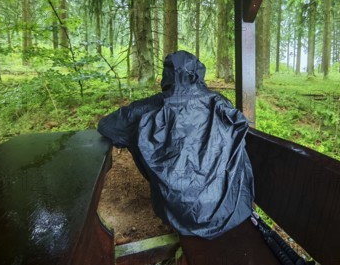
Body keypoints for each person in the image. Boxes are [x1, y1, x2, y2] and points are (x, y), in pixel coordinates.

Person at [98, 50, 254, 239]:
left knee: (138, 134)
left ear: (168, 75)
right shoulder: (221, 102)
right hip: (230, 209)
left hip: (180, 213)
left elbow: (107, 127)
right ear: (198, 72)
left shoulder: (153, 105)